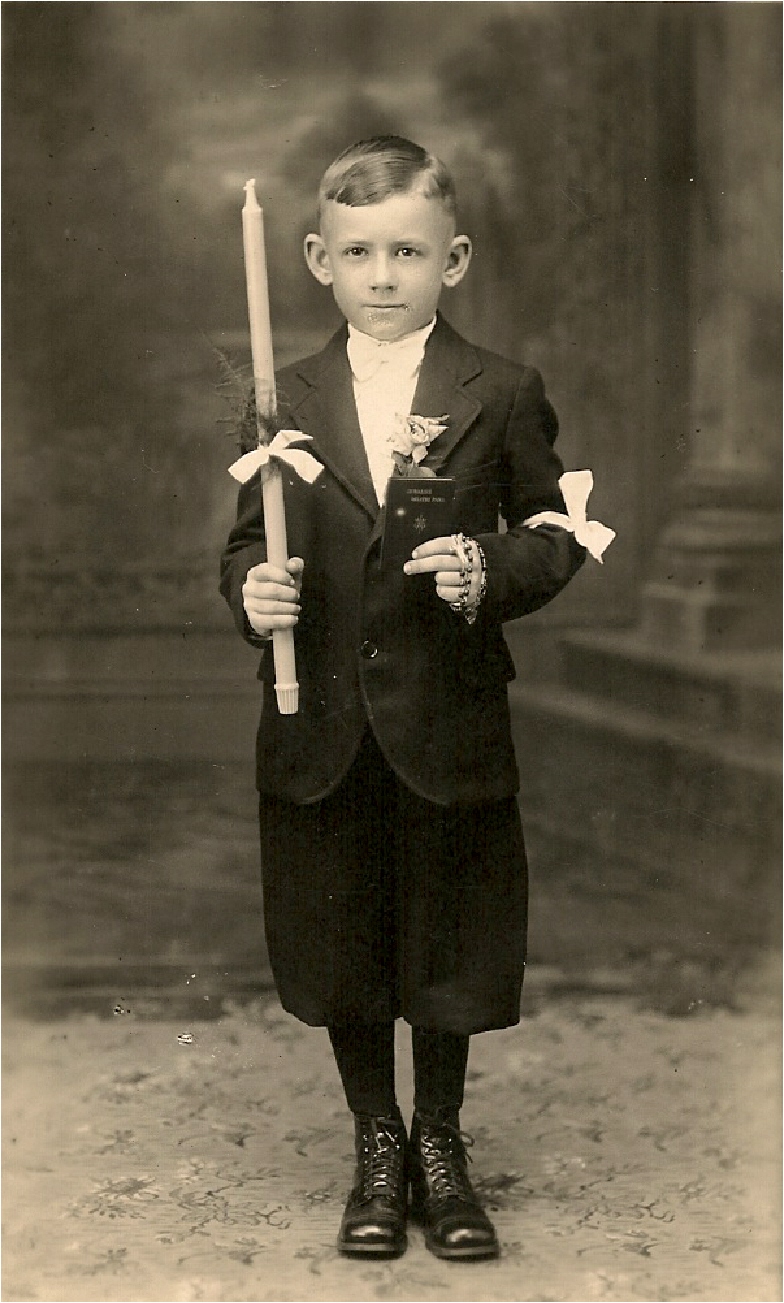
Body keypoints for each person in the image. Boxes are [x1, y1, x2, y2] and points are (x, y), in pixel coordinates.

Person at [220, 135, 586, 1262]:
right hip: (321, 717)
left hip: (445, 713)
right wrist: (255, 591)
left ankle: (440, 1143)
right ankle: (374, 1142)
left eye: (410, 252)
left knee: (447, 929)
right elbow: (244, 547)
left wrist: (489, 569)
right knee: (342, 932)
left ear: (455, 259)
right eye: (362, 251)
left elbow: (559, 528)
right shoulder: (281, 395)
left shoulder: (503, 390)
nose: (385, 274)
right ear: (317, 259)